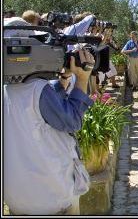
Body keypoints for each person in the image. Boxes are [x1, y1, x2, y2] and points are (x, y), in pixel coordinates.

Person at [4, 46, 95, 215]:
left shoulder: (7, 88)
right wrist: (82, 79)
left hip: (17, 198)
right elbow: (72, 120)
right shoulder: (37, 90)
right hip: (52, 199)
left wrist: (64, 77)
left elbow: (42, 113)